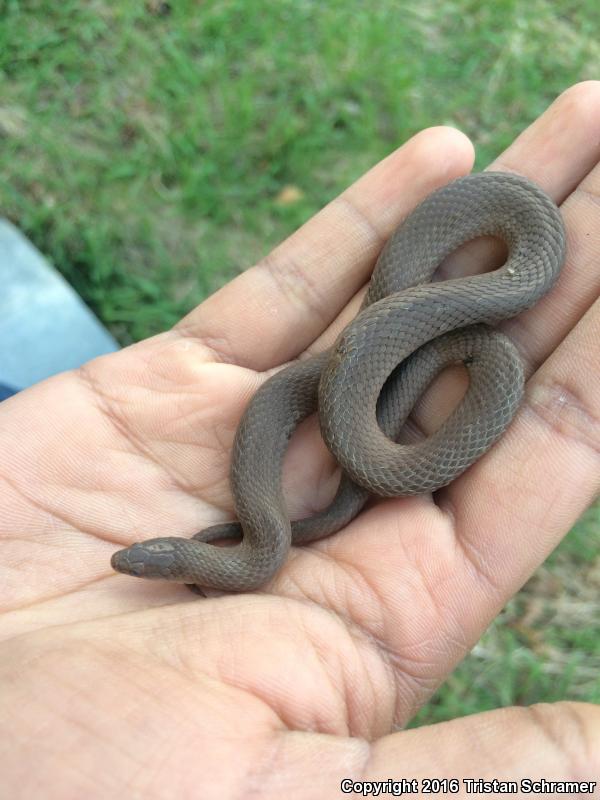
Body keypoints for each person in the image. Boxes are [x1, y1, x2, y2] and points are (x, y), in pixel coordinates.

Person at [1, 81, 599, 796]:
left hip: (429, 360)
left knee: (471, 357)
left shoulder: (492, 322)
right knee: (405, 379)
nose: (136, 562)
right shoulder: (267, 521)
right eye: (145, 565)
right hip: (365, 418)